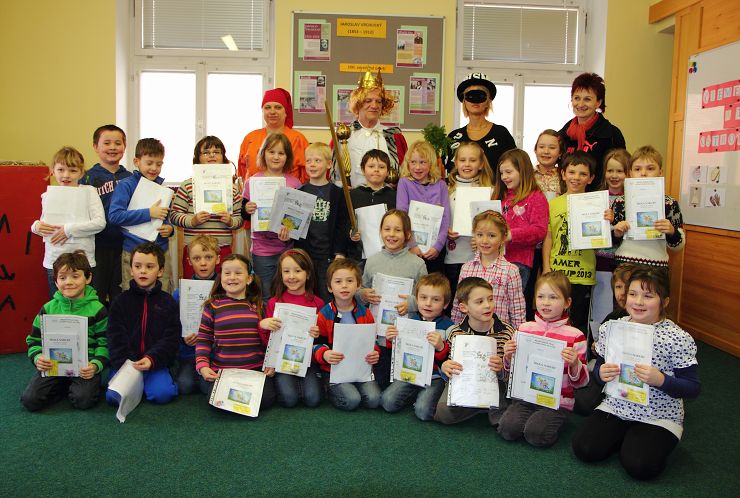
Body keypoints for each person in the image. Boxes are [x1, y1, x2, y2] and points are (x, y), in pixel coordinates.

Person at [572, 267, 700, 480]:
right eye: (633, 294)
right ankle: (627, 437)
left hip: (658, 415)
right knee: (585, 449)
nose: (638, 302)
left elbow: (693, 388)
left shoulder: (677, 338)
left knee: (640, 466)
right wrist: (601, 373)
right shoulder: (611, 328)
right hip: (617, 406)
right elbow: (600, 370)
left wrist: (661, 380)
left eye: (648, 296)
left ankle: (638, 440)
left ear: (664, 302)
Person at [498, 271, 588, 447]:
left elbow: (581, 382)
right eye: (541, 296)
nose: (546, 302)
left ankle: (556, 419)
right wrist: (508, 356)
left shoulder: (576, 336)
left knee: (535, 435)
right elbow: (510, 371)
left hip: (555, 402)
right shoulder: (524, 329)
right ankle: (530, 418)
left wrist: (575, 363)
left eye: (553, 297)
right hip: (524, 398)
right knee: (507, 430)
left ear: (567, 302)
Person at [20, 251, 108, 411]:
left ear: (88, 278)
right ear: (55, 281)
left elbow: (104, 343)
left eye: (75, 276)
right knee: (30, 400)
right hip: (53, 366)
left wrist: (95, 365)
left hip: (84, 367)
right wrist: (38, 358)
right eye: (62, 278)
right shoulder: (48, 308)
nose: (68, 282)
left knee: (83, 401)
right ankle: (63, 387)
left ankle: (76, 386)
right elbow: (34, 340)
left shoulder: (98, 309)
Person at [543, 152, 613, 334]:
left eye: (583, 174)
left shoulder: (597, 204)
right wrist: (546, 267)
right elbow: (549, 237)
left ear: (591, 178)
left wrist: (607, 221)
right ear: (563, 174)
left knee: (578, 321)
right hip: (557, 270)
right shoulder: (553, 204)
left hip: (583, 273)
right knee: (554, 318)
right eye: (572, 172)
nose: (576, 178)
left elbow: (602, 239)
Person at [195, 254, 277, 409]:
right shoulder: (213, 306)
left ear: (249, 279)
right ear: (221, 277)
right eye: (227, 273)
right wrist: (203, 365)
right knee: (215, 401)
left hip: (254, 369)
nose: (232, 277)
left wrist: (271, 363)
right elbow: (204, 339)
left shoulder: (259, 306)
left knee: (267, 399)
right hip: (223, 371)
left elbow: (271, 340)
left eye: (238, 273)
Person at [360, 209, 428, 388]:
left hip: (405, 338)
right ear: (380, 231)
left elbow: (428, 298)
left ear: (407, 235)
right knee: (379, 385)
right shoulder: (372, 261)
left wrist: (412, 303)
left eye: (397, 230)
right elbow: (360, 290)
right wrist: (363, 295)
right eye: (387, 229)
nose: (391, 234)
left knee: (399, 388)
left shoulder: (418, 264)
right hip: (378, 339)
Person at [106, 242, 180, 405]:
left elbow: (171, 338)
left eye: (149, 266)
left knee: (163, 395)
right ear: (131, 270)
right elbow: (114, 337)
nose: (143, 271)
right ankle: (135, 384)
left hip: (154, 363)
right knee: (114, 398)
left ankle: (159, 381)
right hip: (126, 364)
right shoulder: (120, 302)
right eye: (137, 266)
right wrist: (128, 363)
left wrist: (152, 359)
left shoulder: (168, 302)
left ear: (160, 271)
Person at [435, 277, 515, 426]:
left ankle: (483, 406)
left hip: (495, 384)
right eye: (480, 302)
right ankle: (481, 407)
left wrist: (501, 368)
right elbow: (450, 369)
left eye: (490, 299)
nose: (488, 305)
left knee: (503, 422)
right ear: (464, 307)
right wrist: (446, 366)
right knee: (442, 413)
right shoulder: (455, 333)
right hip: (465, 383)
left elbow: (512, 375)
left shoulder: (507, 332)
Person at [32, 146, 106, 297]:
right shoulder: (48, 195)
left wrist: (68, 230)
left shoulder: (89, 192)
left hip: (82, 262)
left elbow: (99, 223)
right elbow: (46, 225)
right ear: (53, 171)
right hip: (54, 260)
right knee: (58, 304)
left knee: (83, 305)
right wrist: (36, 226)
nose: (66, 175)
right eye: (61, 170)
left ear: (81, 172)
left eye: (72, 170)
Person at [381, 273, 454, 421]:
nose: (428, 303)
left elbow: (450, 360)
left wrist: (441, 347)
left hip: (435, 377)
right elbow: (398, 351)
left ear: (445, 304)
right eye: (423, 297)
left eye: (436, 299)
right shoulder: (408, 320)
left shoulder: (449, 328)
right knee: (387, 402)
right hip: (410, 373)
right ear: (416, 300)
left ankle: (422, 398)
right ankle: (415, 394)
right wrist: (392, 339)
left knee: (423, 412)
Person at [169, 136, 242, 279]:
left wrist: (230, 221)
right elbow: (174, 215)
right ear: (197, 159)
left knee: (222, 287)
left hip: (222, 248)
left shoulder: (232, 189)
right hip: (194, 251)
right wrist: (193, 220)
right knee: (193, 288)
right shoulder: (187, 186)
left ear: (223, 158)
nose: (212, 155)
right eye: (206, 152)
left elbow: (239, 219)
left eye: (217, 152)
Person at [108, 138, 175, 292]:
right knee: (132, 297)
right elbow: (115, 216)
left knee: (162, 295)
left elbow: (165, 219)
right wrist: (148, 213)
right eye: (149, 163)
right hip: (133, 251)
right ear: (136, 162)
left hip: (160, 251)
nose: (154, 168)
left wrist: (169, 229)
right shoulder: (126, 185)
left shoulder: (162, 189)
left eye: (159, 164)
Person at [314, 258, 381, 411]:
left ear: (358, 285)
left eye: (349, 281)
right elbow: (316, 344)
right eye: (338, 281)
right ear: (330, 287)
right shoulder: (324, 314)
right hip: (334, 371)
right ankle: (329, 388)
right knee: (352, 400)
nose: (344, 285)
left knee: (374, 400)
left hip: (361, 370)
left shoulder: (366, 313)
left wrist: (375, 352)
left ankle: (350, 388)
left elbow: (373, 342)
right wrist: (325, 354)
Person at [241, 133, 302, 300]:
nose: (276, 157)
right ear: (263, 153)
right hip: (262, 250)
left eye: (281, 153)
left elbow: (299, 219)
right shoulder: (252, 182)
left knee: (287, 294)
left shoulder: (295, 183)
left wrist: (291, 232)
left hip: (287, 249)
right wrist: (247, 208)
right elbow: (243, 214)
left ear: (287, 157)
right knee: (266, 295)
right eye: (271, 152)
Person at [260, 249, 323, 408]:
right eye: (286, 271)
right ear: (280, 274)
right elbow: (268, 340)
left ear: (308, 274)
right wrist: (264, 325)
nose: (292, 276)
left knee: (313, 399)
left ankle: (306, 386)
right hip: (280, 361)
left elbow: (323, 339)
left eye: (298, 271)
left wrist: (318, 333)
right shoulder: (274, 303)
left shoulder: (317, 303)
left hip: (307, 361)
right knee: (289, 400)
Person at [574, 262, 636, 415]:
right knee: (581, 403)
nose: (622, 293)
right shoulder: (612, 317)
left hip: (632, 376)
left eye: (628, 287)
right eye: (618, 287)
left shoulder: (644, 318)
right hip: (608, 372)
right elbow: (598, 351)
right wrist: (595, 347)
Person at [80, 124, 131, 306]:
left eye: (118, 143)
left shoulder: (131, 177)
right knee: (96, 294)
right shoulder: (87, 178)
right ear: (95, 146)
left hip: (124, 246)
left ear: (124, 146)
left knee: (121, 295)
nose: (112, 147)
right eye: (107, 143)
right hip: (96, 246)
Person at [612, 145, 685, 268]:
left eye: (650, 168)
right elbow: (612, 242)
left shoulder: (670, 204)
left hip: (656, 267)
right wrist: (616, 233)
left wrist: (672, 231)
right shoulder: (620, 202)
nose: (643, 173)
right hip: (624, 265)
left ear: (660, 172)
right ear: (630, 173)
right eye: (637, 169)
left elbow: (678, 246)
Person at [451, 211, 525, 329]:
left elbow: (517, 309)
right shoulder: (466, 268)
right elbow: (458, 304)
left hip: (500, 334)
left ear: (503, 237)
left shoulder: (511, 271)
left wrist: (518, 334)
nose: (485, 241)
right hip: (470, 333)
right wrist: (455, 331)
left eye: (491, 236)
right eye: (480, 235)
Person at [295, 142, 350, 302]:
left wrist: (339, 252)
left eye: (317, 160)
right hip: (307, 256)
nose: (312, 164)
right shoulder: (299, 192)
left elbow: (342, 225)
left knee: (327, 296)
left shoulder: (338, 193)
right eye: (309, 161)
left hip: (329, 256)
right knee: (308, 296)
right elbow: (294, 226)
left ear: (328, 164)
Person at [444, 141, 495, 301]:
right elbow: (441, 218)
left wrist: (483, 237)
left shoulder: (490, 191)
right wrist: (445, 231)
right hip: (453, 257)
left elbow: (496, 225)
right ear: (456, 163)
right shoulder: (446, 189)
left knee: (477, 300)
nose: (467, 164)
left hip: (480, 258)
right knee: (456, 301)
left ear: (481, 164)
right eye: (462, 160)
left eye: (472, 160)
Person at [338, 71, 407, 187]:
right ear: (358, 103)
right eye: (368, 101)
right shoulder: (343, 135)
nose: (374, 106)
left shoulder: (394, 137)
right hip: (351, 197)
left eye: (378, 101)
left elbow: (406, 174)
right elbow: (332, 174)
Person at [558, 72, 626, 190]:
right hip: (567, 196)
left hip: (599, 197)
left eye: (587, 99)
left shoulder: (611, 135)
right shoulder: (563, 135)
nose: (580, 104)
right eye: (577, 98)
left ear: (598, 102)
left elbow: (620, 170)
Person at [493, 148, 549, 289]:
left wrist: (511, 235)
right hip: (495, 259)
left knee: (511, 300)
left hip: (519, 261)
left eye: (508, 172)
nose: (504, 177)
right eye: (501, 173)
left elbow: (540, 230)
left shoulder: (536, 197)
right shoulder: (501, 197)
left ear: (522, 171)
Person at [171, 235, 220, 395]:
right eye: (197, 258)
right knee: (185, 386)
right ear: (189, 261)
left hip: (216, 354)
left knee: (208, 388)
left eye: (208, 257)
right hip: (190, 353)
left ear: (218, 259)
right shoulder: (180, 293)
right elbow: (172, 325)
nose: (203, 263)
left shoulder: (225, 290)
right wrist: (183, 339)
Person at [589, 149, 630, 339]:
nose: (614, 175)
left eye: (620, 171)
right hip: (601, 261)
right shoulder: (595, 198)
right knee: (601, 306)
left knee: (624, 304)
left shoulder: (633, 200)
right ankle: (598, 343)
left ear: (628, 173)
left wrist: (616, 222)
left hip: (625, 260)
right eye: (610, 170)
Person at [396, 140, 451, 274]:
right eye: (413, 162)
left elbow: (445, 219)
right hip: (412, 249)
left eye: (423, 162)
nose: (417, 167)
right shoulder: (404, 183)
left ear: (431, 164)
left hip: (436, 250)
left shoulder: (441, 185)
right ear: (407, 164)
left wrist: (438, 247)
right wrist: (412, 245)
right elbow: (402, 217)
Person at [445, 73, 516, 175]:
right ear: (464, 101)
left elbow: (515, 166)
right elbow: (445, 170)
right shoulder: (453, 137)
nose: (475, 101)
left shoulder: (501, 134)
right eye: (470, 96)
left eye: (480, 96)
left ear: (488, 101)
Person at [238, 88, 309, 183]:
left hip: (288, 190)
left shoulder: (298, 139)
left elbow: (308, 174)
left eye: (278, 107)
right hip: (254, 191)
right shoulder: (250, 138)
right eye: (267, 107)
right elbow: (242, 173)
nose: (272, 112)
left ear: (286, 111)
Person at [347, 149, 397, 263]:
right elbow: (346, 221)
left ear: (388, 171)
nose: (376, 170)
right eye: (371, 166)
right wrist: (351, 233)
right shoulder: (353, 195)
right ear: (363, 170)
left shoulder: (394, 195)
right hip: (358, 255)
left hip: (388, 254)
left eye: (381, 167)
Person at [532, 129, 563, 201]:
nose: (546, 151)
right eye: (541, 147)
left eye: (552, 148)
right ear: (535, 150)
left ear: (560, 152)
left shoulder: (564, 176)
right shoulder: (527, 175)